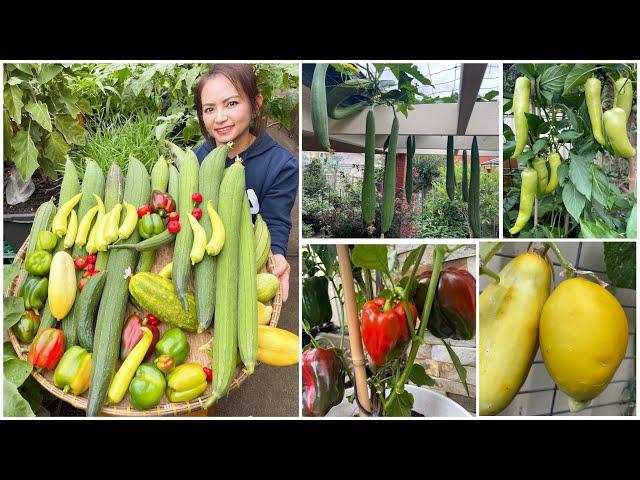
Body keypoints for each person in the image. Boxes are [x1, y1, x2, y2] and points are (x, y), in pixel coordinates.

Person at [193, 64, 298, 302]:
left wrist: (277, 255)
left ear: (255, 104)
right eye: (209, 109)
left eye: (231, 103)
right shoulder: (195, 161)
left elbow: (274, 223)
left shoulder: (281, 165)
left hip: (248, 266)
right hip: (201, 267)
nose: (220, 118)